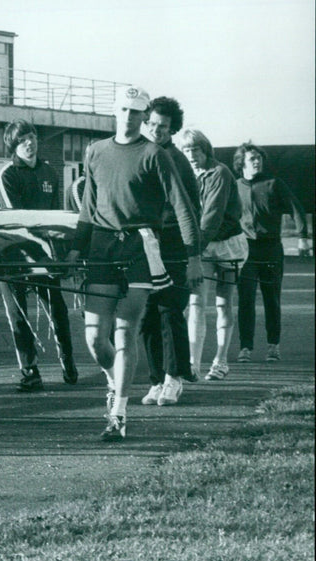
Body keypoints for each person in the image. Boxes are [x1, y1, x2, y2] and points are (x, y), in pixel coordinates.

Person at [67, 85, 202, 441]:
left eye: (136, 112)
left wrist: (193, 257)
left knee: (127, 332)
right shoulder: (94, 151)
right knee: (96, 338)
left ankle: (119, 415)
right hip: (101, 248)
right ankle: (116, 381)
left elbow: (184, 207)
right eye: (124, 110)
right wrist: (75, 249)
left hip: (141, 249)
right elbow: (87, 208)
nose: (129, 117)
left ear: (144, 116)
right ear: (115, 111)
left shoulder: (155, 154)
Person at [0, 119, 77, 391]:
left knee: (57, 308)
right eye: (21, 140)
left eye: (31, 137)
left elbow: (55, 216)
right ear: (13, 146)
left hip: (45, 254)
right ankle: (30, 370)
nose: (28, 143)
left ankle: (67, 360)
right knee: (18, 313)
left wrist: (56, 254)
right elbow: (17, 220)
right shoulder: (6, 174)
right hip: (14, 255)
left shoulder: (49, 173)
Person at [138, 97, 201, 407]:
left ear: (172, 127)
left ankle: (174, 378)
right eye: (151, 124)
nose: (156, 130)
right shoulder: (140, 154)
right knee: (146, 314)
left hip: (174, 246)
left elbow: (193, 210)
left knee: (169, 311)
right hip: (144, 245)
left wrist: (193, 255)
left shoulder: (178, 161)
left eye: (163, 126)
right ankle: (155, 379)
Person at [233, 142, 310, 363]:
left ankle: (273, 346)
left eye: (259, 158)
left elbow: (296, 208)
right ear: (242, 163)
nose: (257, 161)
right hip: (246, 250)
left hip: (271, 249)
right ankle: (245, 347)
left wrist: (303, 238)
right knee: (245, 300)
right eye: (252, 158)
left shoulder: (274, 184)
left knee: (271, 299)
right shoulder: (235, 186)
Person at [180, 128, 247, 381]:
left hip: (228, 243)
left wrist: (192, 250)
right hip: (203, 245)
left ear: (205, 149)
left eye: (195, 149)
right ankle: (192, 364)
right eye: (186, 150)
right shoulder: (187, 173)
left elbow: (212, 215)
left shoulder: (220, 173)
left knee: (223, 302)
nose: (190, 155)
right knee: (196, 301)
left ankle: (221, 360)